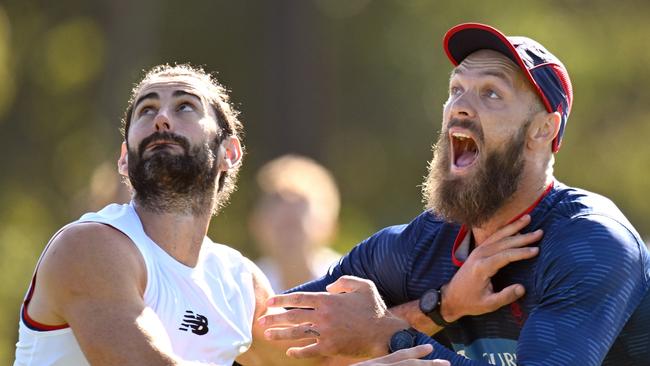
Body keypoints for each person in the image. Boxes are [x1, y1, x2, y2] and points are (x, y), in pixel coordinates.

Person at [259, 23, 650, 365]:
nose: (459, 106)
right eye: (456, 89)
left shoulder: (592, 243)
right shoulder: (416, 247)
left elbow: (372, 334)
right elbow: (259, 338)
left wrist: (390, 337)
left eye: (491, 93)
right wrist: (440, 306)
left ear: (543, 130)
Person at [12, 64, 299, 366]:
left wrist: (355, 314)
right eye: (147, 110)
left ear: (229, 153)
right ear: (124, 159)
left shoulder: (239, 282)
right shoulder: (88, 246)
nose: (161, 119)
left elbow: (315, 360)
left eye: (185, 106)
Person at [251, 154, 342, 292]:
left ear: (329, 226)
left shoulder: (348, 284)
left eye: (295, 227)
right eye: (282, 228)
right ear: (257, 224)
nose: (288, 238)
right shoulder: (245, 287)